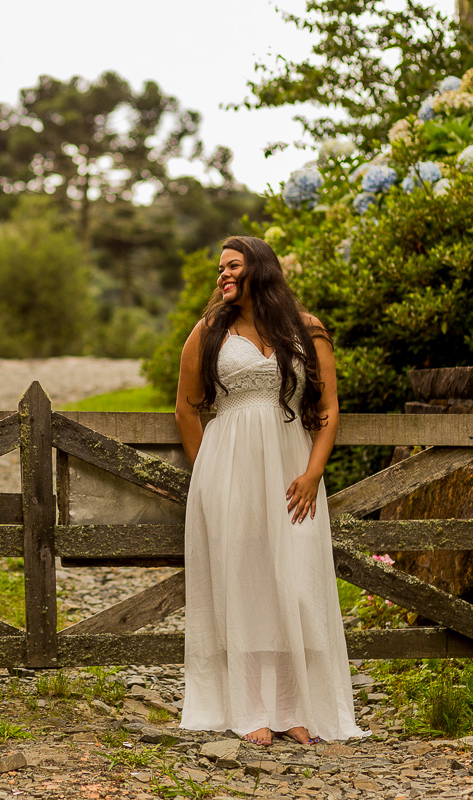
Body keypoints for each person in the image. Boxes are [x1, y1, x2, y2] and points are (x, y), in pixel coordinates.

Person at [175, 235, 364, 745]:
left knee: (295, 581)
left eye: (232, 265)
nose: (222, 275)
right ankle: (250, 708)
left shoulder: (307, 330)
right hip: (228, 473)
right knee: (244, 582)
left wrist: (313, 473)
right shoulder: (209, 331)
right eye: (220, 268)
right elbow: (186, 410)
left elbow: (328, 409)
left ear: (260, 268)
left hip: (291, 473)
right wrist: (209, 473)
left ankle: (294, 707)